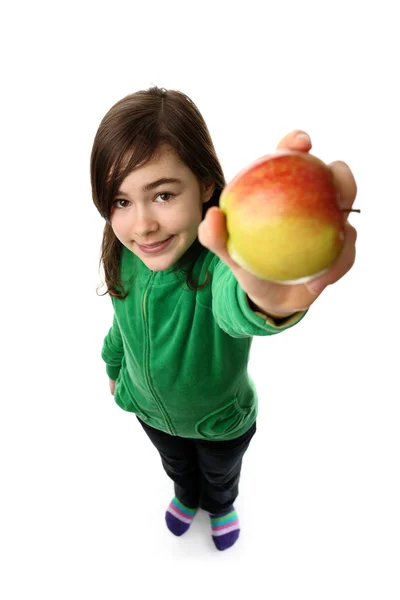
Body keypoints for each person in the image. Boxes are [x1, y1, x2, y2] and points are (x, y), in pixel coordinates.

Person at [90, 86, 357, 551]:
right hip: (150, 413)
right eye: (121, 202)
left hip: (220, 424)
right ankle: (184, 494)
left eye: (164, 195)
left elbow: (239, 308)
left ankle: (220, 502)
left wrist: (269, 295)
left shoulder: (221, 264)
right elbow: (121, 325)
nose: (143, 225)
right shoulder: (126, 254)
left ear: (206, 185)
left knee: (220, 473)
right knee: (176, 467)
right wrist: (114, 369)